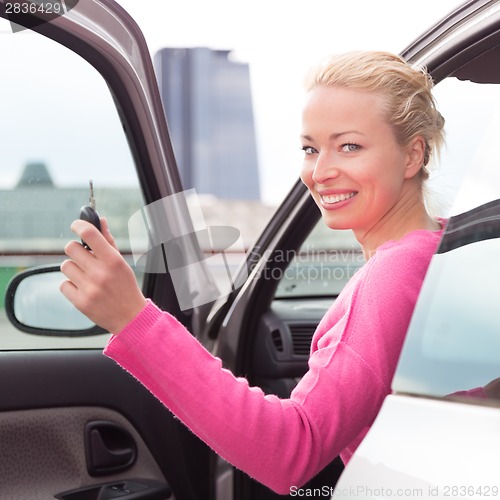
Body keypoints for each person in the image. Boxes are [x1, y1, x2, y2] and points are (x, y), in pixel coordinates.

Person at [60, 51, 446, 495]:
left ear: (413, 154)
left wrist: (132, 318)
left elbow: (292, 451)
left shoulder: (398, 273)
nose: (320, 172)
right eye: (310, 148)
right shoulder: (442, 252)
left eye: (350, 146)